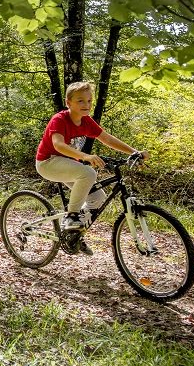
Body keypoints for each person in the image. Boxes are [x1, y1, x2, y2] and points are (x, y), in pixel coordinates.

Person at [35, 81, 149, 255]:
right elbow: (58, 145)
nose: (86, 105)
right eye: (80, 101)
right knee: (88, 172)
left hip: (68, 165)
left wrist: (135, 152)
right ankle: (72, 217)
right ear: (68, 103)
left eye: (89, 101)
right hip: (48, 163)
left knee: (97, 198)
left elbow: (107, 139)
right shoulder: (60, 119)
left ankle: (74, 235)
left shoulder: (86, 121)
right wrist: (85, 156)